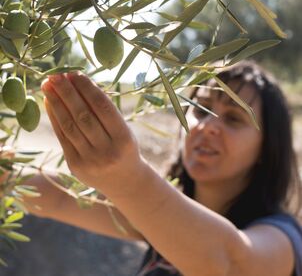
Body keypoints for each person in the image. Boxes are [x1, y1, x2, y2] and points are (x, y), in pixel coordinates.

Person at [1, 60, 302, 276]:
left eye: (233, 118)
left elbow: (229, 264)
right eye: (200, 109)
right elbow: (61, 197)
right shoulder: (157, 214)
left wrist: (129, 179)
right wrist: (7, 176)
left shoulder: (283, 238)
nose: (208, 126)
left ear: (267, 147)